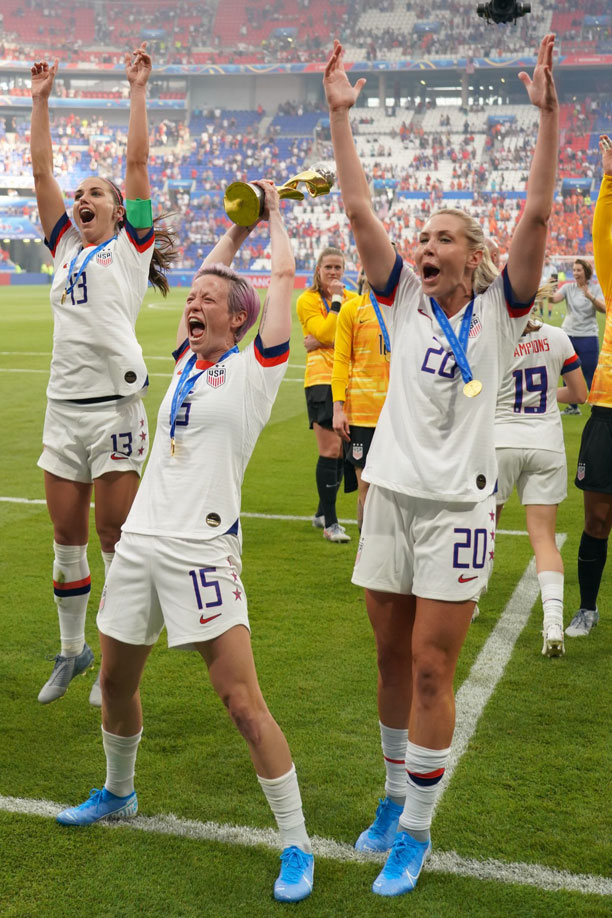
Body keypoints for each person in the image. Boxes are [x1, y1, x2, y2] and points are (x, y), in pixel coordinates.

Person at [323, 35, 558, 897]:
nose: (425, 245)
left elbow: (535, 215)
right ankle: (392, 800)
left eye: (444, 238)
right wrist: (342, 116)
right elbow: (357, 214)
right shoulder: (402, 301)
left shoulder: (500, 311)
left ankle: (416, 834)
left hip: (458, 509)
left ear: (475, 256)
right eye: (422, 235)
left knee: (430, 667)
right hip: (389, 496)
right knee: (388, 659)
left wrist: (547, 116)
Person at [54, 183, 315, 904]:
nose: (193, 303)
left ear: (241, 318)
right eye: (190, 296)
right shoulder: (187, 361)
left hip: (203, 551)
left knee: (240, 701)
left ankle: (296, 844)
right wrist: (234, 231)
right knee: (114, 682)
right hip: (138, 544)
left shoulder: (256, 369)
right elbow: (210, 274)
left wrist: (277, 218)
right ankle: (119, 792)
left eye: (209, 299)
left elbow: (283, 281)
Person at [30, 45, 175, 706]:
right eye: (80, 193)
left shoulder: (132, 248)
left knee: (114, 539)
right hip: (63, 411)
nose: (83, 198)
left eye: (97, 194)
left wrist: (137, 90)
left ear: (121, 211)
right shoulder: (65, 246)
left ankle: (114, 655)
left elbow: (138, 164)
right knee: (66, 541)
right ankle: (72, 651)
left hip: (115, 412)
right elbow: (41, 174)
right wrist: (40, 101)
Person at [494, 318, 587, 656]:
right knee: (544, 538)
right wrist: (548, 395)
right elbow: (579, 393)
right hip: (546, 442)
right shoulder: (557, 336)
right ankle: (552, 623)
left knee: (484, 527)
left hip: (500, 441)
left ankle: (469, 600)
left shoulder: (492, 335)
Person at [566, 134, 612, 638]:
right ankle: (588, 607)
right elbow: (601, 238)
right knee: (596, 521)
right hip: (606, 415)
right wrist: (608, 179)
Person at [296, 246, 353, 542]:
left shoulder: (352, 299)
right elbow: (331, 332)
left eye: (338, 267)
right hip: (320, 380)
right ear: (317, 269)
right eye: (328, 267)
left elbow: (354, 326)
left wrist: (319, 340)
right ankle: (331, 524)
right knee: (330, 449)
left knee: (344, 450)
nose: (333, 272)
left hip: (347, 380)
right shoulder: (307, 300)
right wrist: (337, 301)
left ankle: (321, 513)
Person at [331, 274, 390, 530]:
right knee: (365, 485)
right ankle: (366, 555)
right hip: (363, 413)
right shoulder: (352, 310)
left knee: (395, 488)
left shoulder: (408, 308)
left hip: (398, 413)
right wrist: (337, 408)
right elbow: (341, 360)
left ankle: (394, 554)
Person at [550, 258, 604, 414]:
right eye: (574, 270)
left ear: (586, 272)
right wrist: (551, 288)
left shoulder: (594, 288)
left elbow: (604, 309)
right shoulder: (568, 288)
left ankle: (596, 406)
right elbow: (554, 299)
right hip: (568, 335)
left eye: (578, 270)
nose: (575, 273)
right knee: (567, 372)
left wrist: (590, 296)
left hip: (588, 335)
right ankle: (572, 407)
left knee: (590, 372)